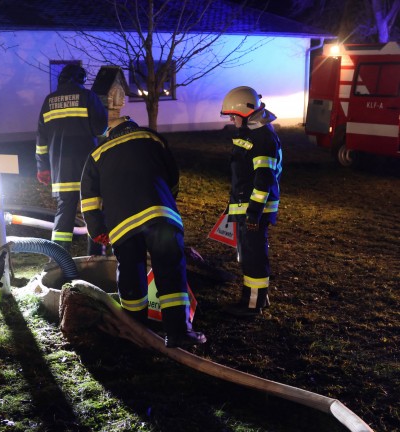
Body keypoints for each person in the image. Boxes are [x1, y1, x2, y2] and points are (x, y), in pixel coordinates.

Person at [80, 117, 207, 348]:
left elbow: (88, 200)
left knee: (130, 271)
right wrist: (167, 202)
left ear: (110, 133)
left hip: (122, 225)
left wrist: (97, 230)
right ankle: (178, 332)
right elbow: (172, 176)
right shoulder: (151, 138)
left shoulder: (97, 154)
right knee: (170, 269)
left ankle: (134, 329)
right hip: (160, 216)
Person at [220, 86, 283, 318]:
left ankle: (252, 305)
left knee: (254, 258)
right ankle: (258, 298)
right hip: (248, 208)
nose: (231, 119)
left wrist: (254, 212)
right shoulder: (254, 134)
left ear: (246, 113)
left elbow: (264, 178)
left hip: (255, 210)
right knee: (249, 255)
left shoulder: (262, 137)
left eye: (233, 115)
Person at [36, 64, 108, 255]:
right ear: (82, 79)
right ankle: (94, 256)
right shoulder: (87, 97)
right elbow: (100, 128)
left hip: (61, 168)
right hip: (87, 166)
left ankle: (59, 259)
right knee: (92, 210)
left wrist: (42, 167)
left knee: (64, 211)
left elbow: (41, 139)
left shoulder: (49, 100)